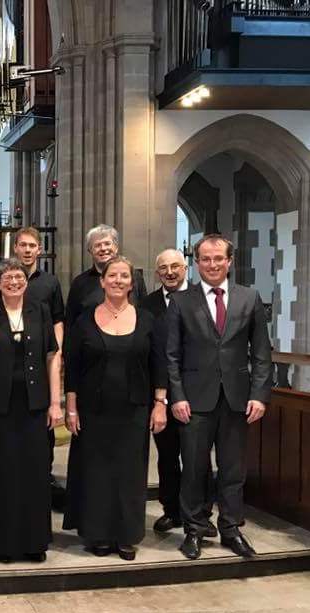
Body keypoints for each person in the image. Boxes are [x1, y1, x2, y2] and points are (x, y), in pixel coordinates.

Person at [167, 235, 272, 560]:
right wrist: (177, 396)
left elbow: (262, 355)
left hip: (238, 400)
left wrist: (260, 395)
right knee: (195, 469)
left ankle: (230, 528)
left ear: (229, 261)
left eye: (218, 259)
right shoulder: (183, 302)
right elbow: (171, 355)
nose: (212, 264)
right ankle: (194, 530)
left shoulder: (249, 298)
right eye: (205, 259)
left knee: (232, 470)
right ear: (196, 263)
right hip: (194, 401)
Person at [63, 256, 168, 561]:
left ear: (131, 283)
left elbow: (158, 364)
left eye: (124, 276)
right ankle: (98, 534)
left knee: (129, 474)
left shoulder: (147, 319)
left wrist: (159, 404)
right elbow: (73, 367)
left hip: (134, 410)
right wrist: (71, 408)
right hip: (93, 410)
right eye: (113, 276)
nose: (118, 280)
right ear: (102, 281)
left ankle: (126, 535)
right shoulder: (84, 320)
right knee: (96, 472)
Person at [0, 259, 61, 562]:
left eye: (19, 276)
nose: (14, 281)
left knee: (35, 473)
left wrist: (54, 402)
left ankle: (35, 542)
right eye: (7, 277)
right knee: (3, 473)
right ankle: (4, 542)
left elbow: (52, 357)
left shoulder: (40, 311)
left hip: (34, 404)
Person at [141, 249, 205, 535]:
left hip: (195, 393)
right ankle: (172, 511)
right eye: (164, 268)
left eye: (175, 266)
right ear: (157, 273)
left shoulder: (201, 299)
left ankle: (201, 513)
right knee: (167, 456)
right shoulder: (147, 304)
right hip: (159, 395)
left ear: (185, 268)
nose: (170, 272)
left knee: (196, 457)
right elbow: (150, 352)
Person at [9, 226, 66, 507]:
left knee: (44, 422)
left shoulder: (50, 282)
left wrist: (57, 351)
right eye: (23, 245)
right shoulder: (7, 278)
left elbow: (57, 320)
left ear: (39, 250)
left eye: (33, 245)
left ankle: (45, 474)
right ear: (15, 248)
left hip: (42, 359)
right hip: (15, 363)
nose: (28, 250)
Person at [64, 224, 147, 330]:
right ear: (90, 250)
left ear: (116, 248)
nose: (103, 249)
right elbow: (71, 322)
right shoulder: (79, 283)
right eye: (97, 245)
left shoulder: (134, 277)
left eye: (107, 244)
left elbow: (144, 313)